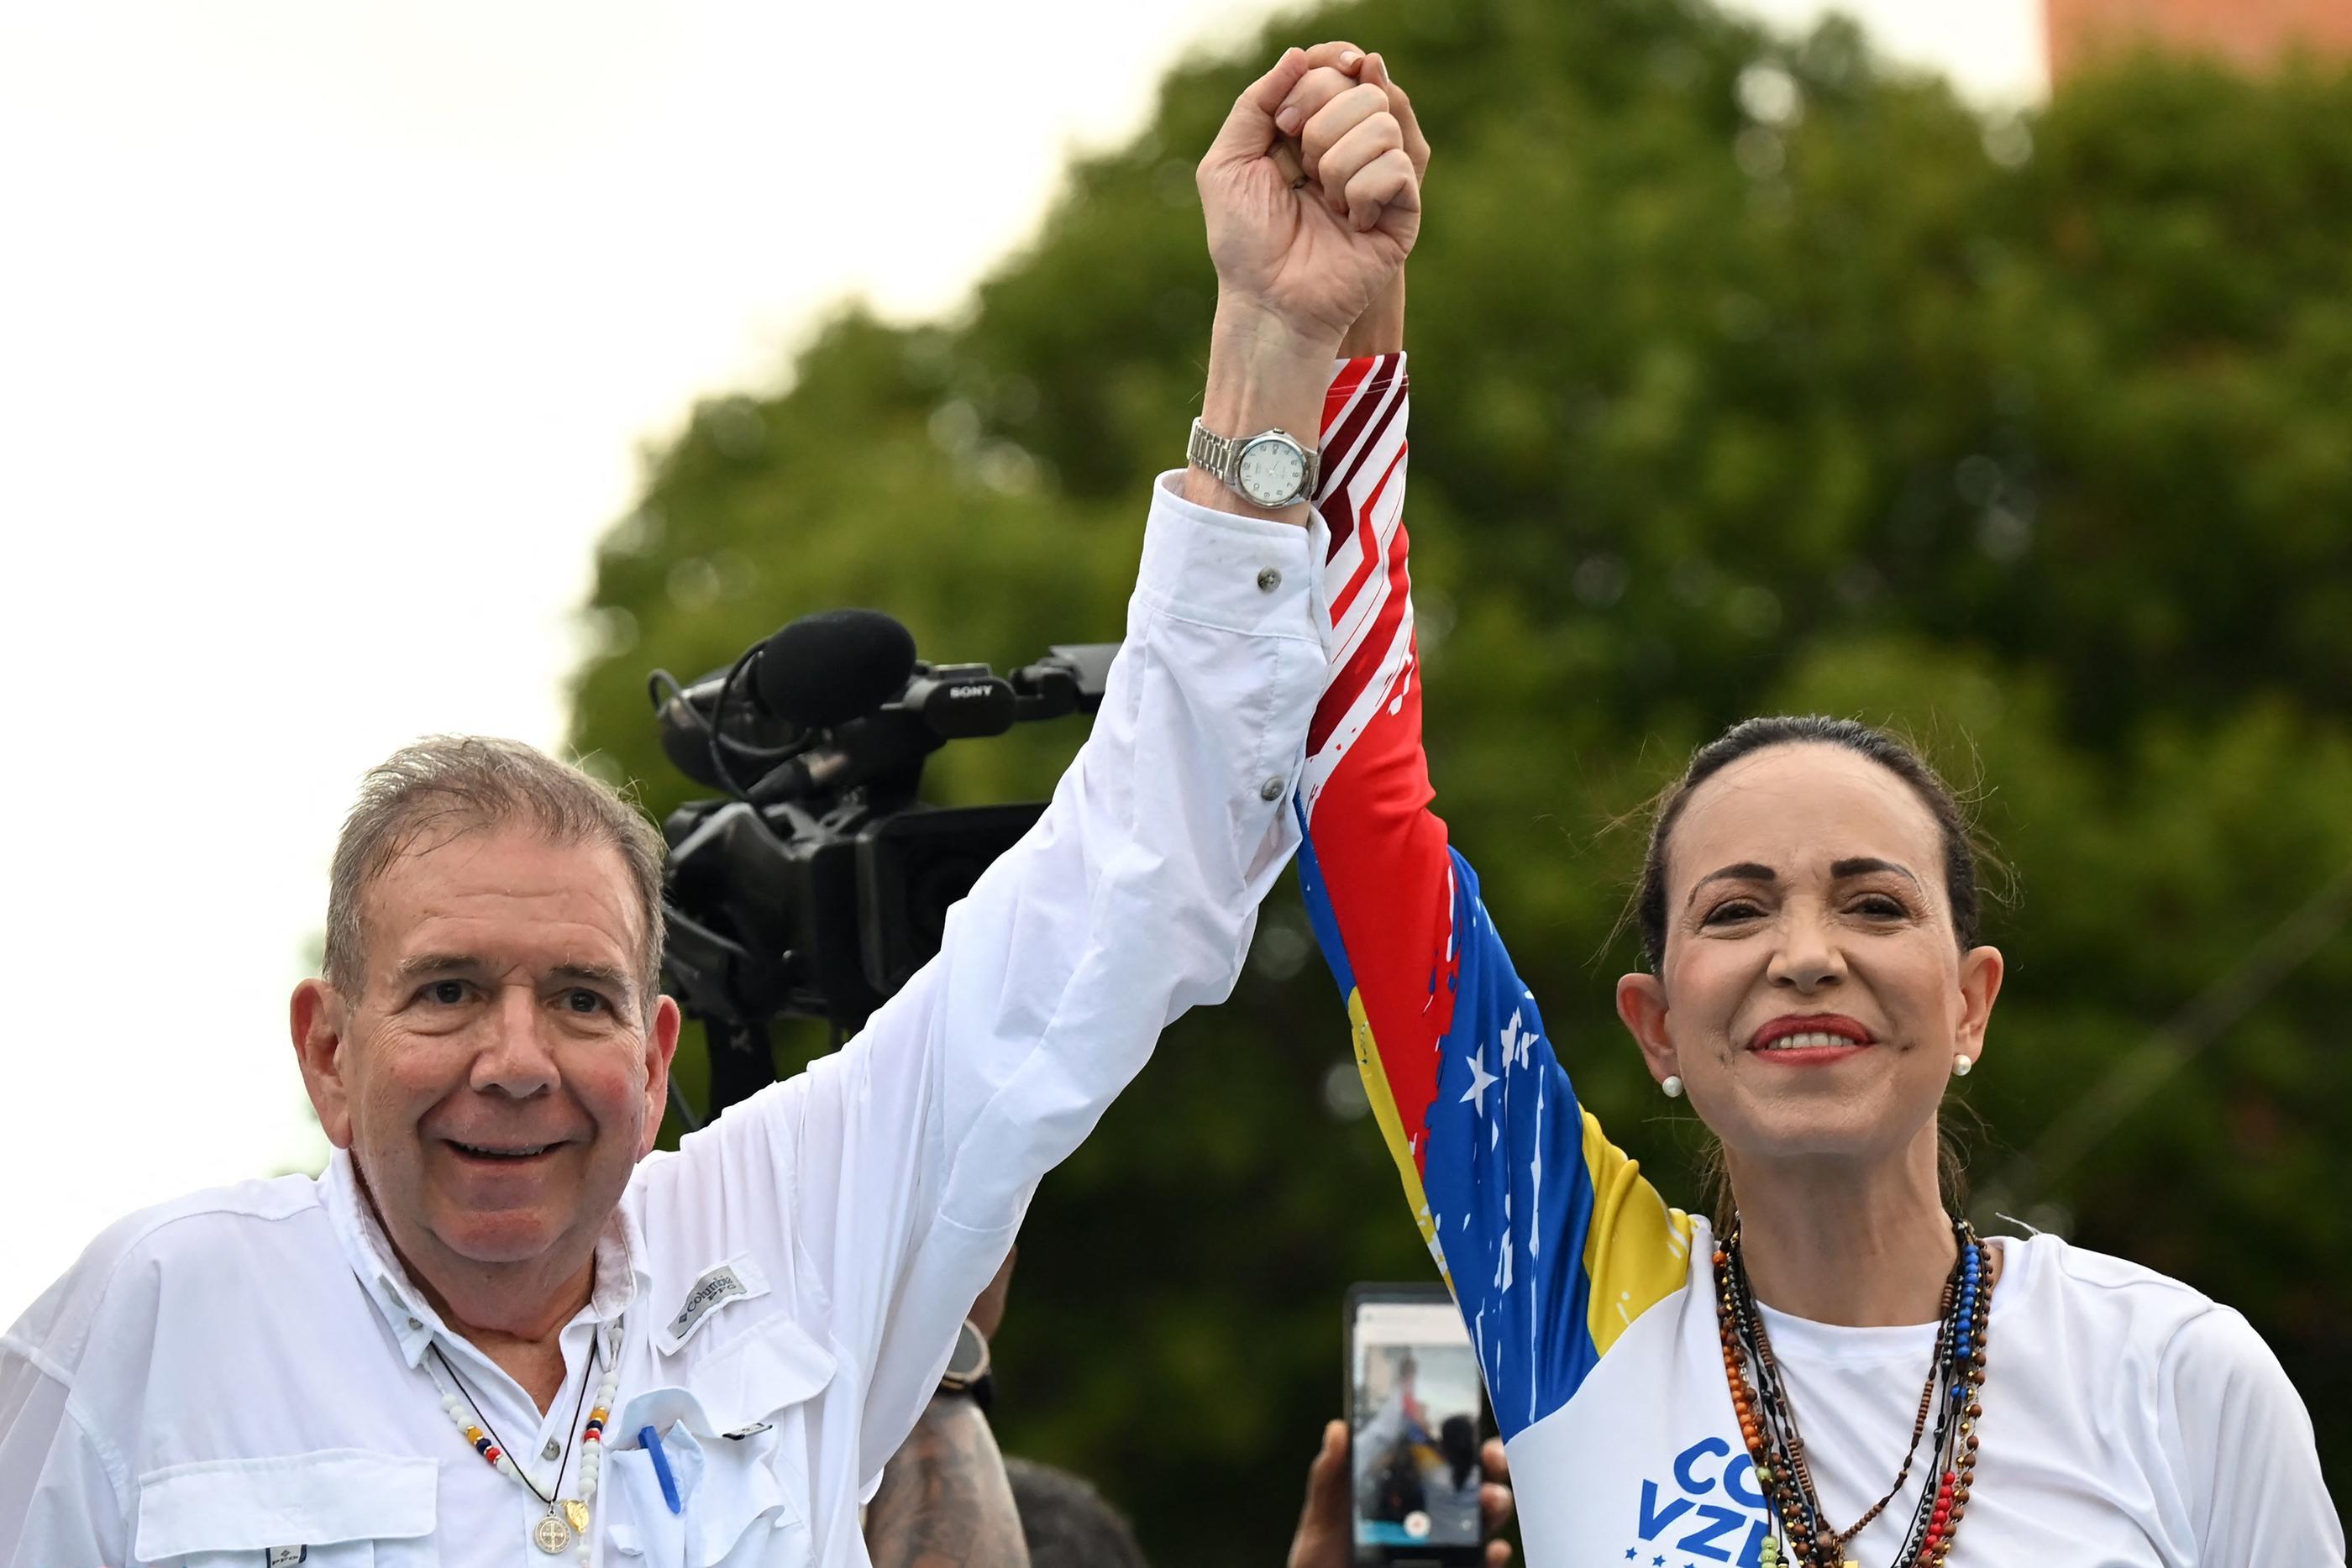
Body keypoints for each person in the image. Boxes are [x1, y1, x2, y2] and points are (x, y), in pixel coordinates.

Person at [0, 43, 1422, 1568]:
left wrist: (1270, 341)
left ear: (662, 1050)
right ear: (327, 1053)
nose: (519, 1060)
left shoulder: (787, 1230)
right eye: (448, 991)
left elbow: (1139, 880)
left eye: (584, 999)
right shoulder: (159, 1316)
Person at [1273, 49, 2345, 1568]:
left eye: (1874, 900)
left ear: (1972, 998)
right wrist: (1344, 317)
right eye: (1735, 908)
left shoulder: (2175, 1376)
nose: (1805, 951)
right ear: (1655, 1026)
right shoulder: (1564, 1284)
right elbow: (1361, 812)